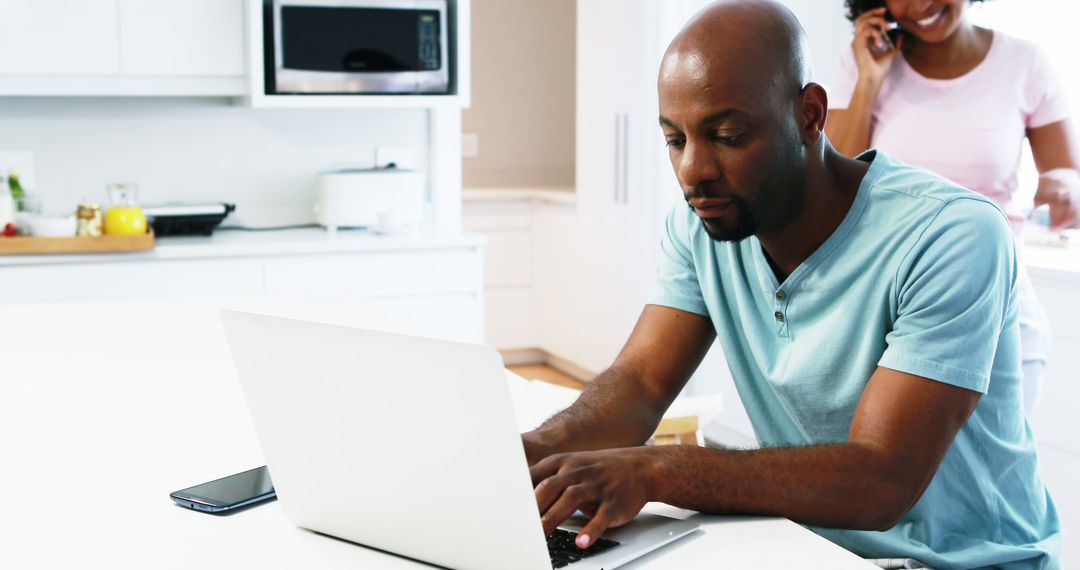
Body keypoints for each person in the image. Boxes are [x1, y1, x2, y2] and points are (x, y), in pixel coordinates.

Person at [523, 0, 1060, 567]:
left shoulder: (951, 235)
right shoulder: (702, 226)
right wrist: (525, 453)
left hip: (962, 561)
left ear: (809, 115)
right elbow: (637, 385)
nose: (693, 171)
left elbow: (881, 479)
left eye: (726, 135)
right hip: (809, 546)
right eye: (675, 140)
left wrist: (659, 467)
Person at [825, 0, 1080, 414]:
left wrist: (1062, 188)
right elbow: (832, 187)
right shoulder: (859, 67)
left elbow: (1068, 173)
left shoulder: (1025, 63)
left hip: (998, 308)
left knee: (996, 472)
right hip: (889, 309)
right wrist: (869, 82)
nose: (921, 4)